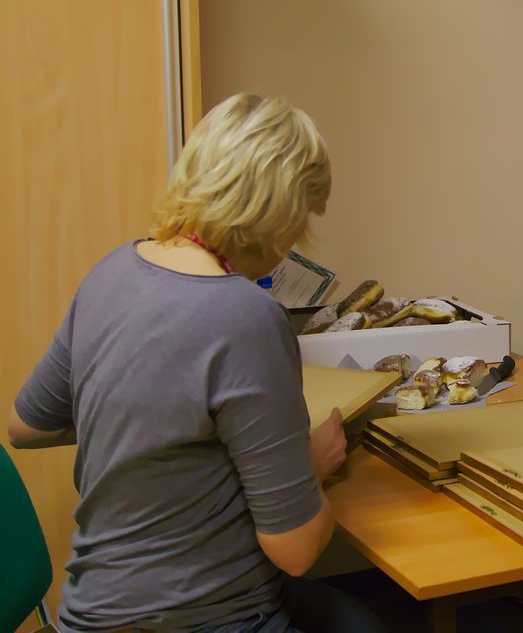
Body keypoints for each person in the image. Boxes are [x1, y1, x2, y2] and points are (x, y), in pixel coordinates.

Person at [8, 93, 388, 632]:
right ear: (279, 215)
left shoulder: (112, 270)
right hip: (207, 618)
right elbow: (297, 550)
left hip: (92, 614)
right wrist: (310, 467)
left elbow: (25, 427)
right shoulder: (247, 317)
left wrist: (142, 423)